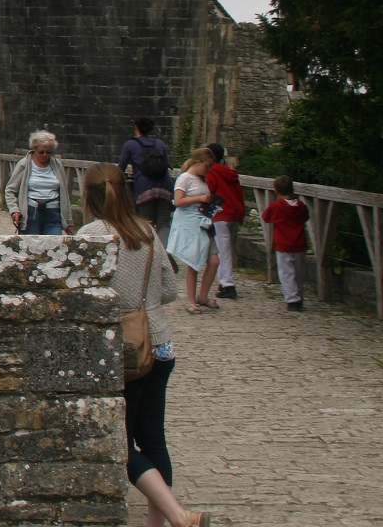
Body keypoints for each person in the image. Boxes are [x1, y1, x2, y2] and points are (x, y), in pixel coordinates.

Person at [79, 164, 208, 527]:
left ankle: (180, 516)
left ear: (88, 196)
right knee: (153, 438)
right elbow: (168, 290)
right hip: (161, 344)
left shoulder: (91, 236)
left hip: (124, 351)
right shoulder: (147, 230)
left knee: (119, 442)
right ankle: (161, 522)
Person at [165, 147, 220, 313]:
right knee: (193, 262)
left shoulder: (203, 179)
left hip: (203, 222)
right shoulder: (184, 178)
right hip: (190, 224)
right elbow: (178, 201)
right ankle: (191, 300)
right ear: (198, 162)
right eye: (207, 166)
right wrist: (199, 198)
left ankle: (202, 296)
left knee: (214, 261)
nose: (209, 170)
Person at [3, 130, 72, 234]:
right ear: (34, 149)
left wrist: (69, 222)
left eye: (48, 152)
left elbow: (65, 195)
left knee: (54, 245)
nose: (45, 155)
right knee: (31, 246)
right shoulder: (24, 164)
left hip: (53, 213)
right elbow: (10, 190)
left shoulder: (57, 165)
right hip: (31, 213)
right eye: (41, 152)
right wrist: (14, 210)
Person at [261, 175, 310, 312]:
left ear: (276, 190)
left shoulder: (276, 206)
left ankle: (292, 298)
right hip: (300, 242)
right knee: (298, 271)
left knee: (286, 272)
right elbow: (305, 217)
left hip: (283, 243)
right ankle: (299, 296)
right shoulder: (301, 206)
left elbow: (266, 218)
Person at [204, 144, 246, 299]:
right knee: (227, 249)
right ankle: (225, 281)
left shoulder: (212, 172)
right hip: (234, 212)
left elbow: (210, 191)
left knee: (222, 250)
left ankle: (227, 284)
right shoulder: (230, 173)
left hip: (220, 213)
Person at [119, 117, 175, 233]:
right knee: (164, 224)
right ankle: (164, 249)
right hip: (165, 186)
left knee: (145, 224)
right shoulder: (159, 143)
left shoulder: (130, 145)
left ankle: (148, 250)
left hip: (145, 188)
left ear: (136, 127)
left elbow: (120, 169)